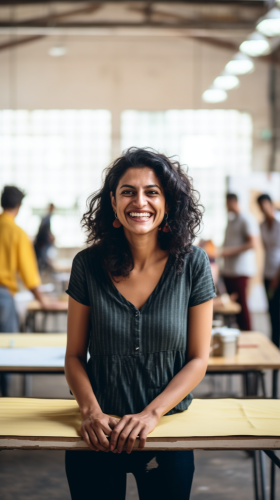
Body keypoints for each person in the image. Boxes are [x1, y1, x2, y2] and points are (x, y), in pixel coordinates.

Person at [64, 148, 216, 500]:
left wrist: (151, 414)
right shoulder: (87, 264)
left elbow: (198, 359)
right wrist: (91, 413)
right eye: (128, 191)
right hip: (98, 433)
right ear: (113, 204)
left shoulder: (192, 264)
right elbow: (73, 356)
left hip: (166, 431)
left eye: (152, 191)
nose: (140, 201)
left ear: (168, 203)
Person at [0, 186, 58, 395]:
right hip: (3, 296)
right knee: (5, 348)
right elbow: (29, 273)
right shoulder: (17, 233)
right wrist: (42, 300)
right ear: (18, 206)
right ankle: (4, 400)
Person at [219, 193, 259, 331]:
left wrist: (227, 252)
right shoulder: (231, 220)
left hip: (241, 270)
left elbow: (253, 243)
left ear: (232, 202)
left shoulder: (246, 219)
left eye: (226, 202)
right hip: (229, 270)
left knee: (242, 308)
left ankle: (248, 333)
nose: (225, 206)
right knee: (233, 307)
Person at [257, 194, 280, 348]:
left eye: (265, 204)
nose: (263, 208)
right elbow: (266, 248)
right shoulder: (262, 225)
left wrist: (276, 277)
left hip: (278, 273)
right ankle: (274, 344)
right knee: (271, 311)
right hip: (268, 271)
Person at [34, 203, 55, 270]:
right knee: (42, 260)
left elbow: (47, 230)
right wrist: (50, 237)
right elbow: (44, 230)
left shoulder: (46, 218)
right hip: (41, 243)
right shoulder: (46, 218)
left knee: (41, 260)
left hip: (41, 243)